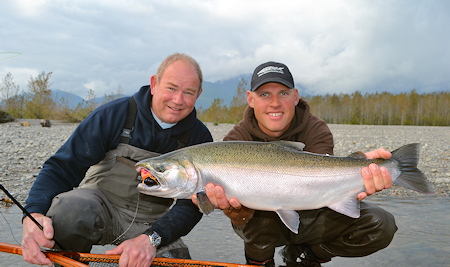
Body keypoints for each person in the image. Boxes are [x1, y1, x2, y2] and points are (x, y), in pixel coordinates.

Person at [194, 61, 396, 267]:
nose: (275, 103)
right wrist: (235, 212)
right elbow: (238, 216)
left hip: (314, 213)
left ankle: (307, 255)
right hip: (260, 223)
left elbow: (326, 181)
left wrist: (361, 169)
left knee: (381, 224)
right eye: (264, 94)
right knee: (260, 211)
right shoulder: (235, 141)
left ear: (295, 96)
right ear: (250, 99)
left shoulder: (315, 129)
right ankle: (259, 262)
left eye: (283, 93)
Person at [21, 53, 213, 267]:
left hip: (151, 223)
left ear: (198, 95)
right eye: (171, 88)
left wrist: (152, 238)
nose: (178, 100)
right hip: (97, 209)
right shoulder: (112, 116)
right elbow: (62, 168)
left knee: (177, 263)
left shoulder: (200, 139)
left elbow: (191, 206)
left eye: (188, 92)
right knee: (69, 212)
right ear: (154, 84)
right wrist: (33, 213)